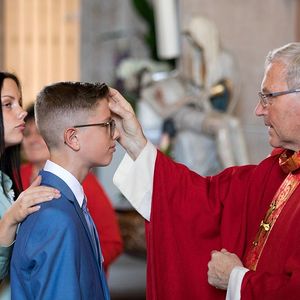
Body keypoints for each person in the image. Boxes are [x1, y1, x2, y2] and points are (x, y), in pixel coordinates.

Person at [110, 42, 300, 299]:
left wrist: (236, 279)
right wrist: (136, 144)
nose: (258, 110)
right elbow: (204, 200)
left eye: (268, 97)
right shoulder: (278, 170)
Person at [11, 82, 118, 299]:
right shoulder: (55, 216)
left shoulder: (69, 199)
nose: (114, 134)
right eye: (107, 124)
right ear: (73, 138)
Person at [20, 104, 123, 274]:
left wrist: (74, 267)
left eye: (39, 133)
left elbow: (112, 241)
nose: (32, 140)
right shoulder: (12, 178)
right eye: (26, 134)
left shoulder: (83, 182)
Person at [0, 72, 60, 299]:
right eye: (8, 104)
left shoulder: (6, 181)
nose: (22, 112)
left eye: (19, 102)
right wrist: (11, 219)